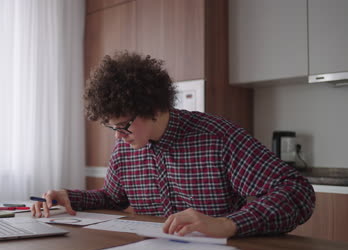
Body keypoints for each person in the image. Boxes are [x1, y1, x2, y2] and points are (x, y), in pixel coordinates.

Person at [32, 51, 315, 238]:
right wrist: (71, 197)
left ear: (153, 107)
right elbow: (114, 198)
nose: (117, 135)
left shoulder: (217, 138)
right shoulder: (126, 148)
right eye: (112, 127)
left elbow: (297, 192)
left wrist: (228, 224)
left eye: (123, 125)